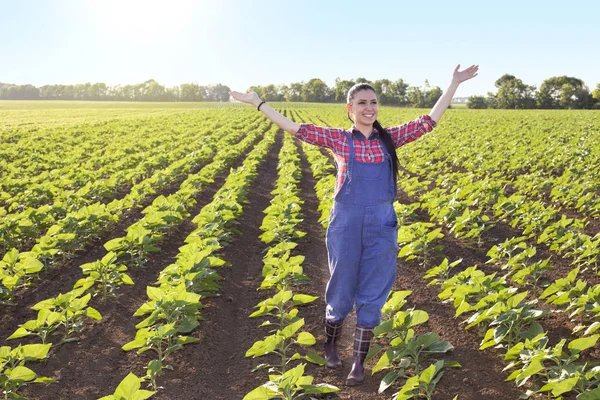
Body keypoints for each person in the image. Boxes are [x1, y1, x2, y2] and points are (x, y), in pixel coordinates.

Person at [230, 64, 478, 386]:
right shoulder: (338, 139)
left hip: (381, 222)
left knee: (374, 290)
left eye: (373, 102)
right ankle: (331, 343)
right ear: (350, 109)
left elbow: (427, 122)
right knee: (342, 285)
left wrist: (453, 83)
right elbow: (296, 129)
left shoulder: (388, 140)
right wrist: (258, 103)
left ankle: (358, 362)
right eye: (362, 103)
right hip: (346, 221)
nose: (369, 108)